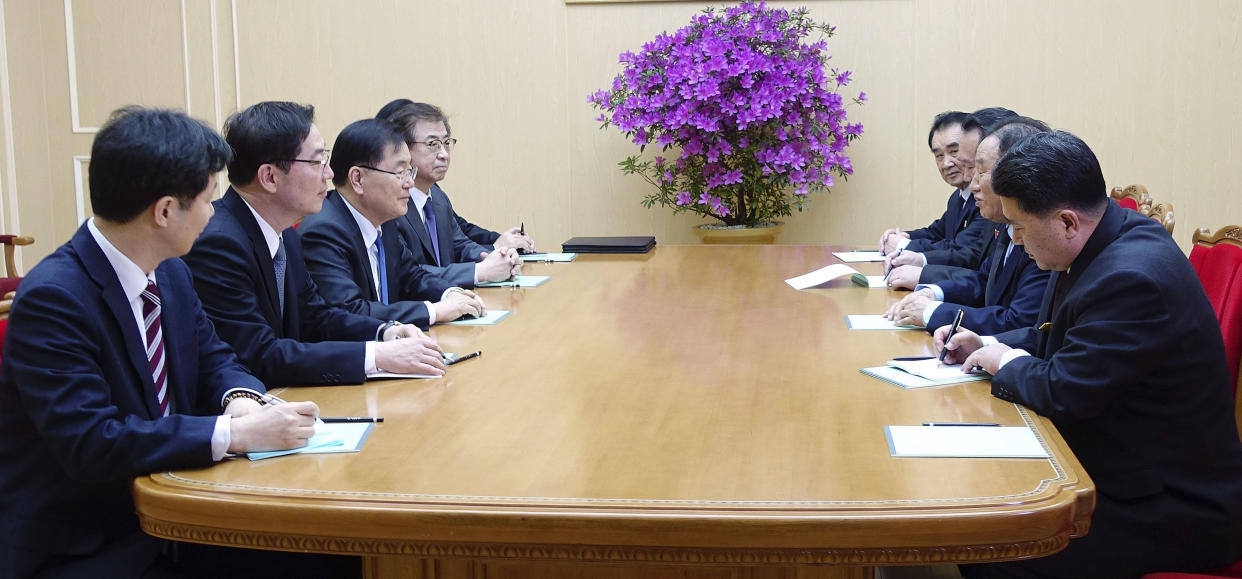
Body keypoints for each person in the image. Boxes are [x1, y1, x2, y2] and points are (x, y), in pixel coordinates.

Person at [0, 107, 351, 577]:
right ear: (165, 210)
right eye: (208, 199)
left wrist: (242, 401)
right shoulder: (55, 298)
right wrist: (234, 434)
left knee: (336, 555)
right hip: (92, 540)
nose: (214, 212)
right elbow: (91, 443)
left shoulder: (170, 271)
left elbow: (215, 357)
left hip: (176, 504)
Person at [937, 131, 1242, 578]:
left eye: (1019, 227)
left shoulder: (1132, 278)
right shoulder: (1102, 241)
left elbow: (1064, 391)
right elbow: (1059, 336)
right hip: (1123, 466)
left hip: (1171, 507)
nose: (1015, 241)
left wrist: (1005, 362)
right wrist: (990, 344)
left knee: (992, 542)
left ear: (1066, 222)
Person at [183, 101, 446, 387]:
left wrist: (386, 330)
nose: (330, 174)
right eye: (317, 161)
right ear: (269, 177)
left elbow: (315, 315)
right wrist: (376, 356)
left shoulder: (285, 234)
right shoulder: (219, 243)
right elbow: (259, 355)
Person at [299, 118, 487, 326]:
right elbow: (349, 311)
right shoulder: (323, 231)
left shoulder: (384, 220)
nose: (410, 183)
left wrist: (451, 294)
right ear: (358, 179)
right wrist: (434, 311)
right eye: (400, 173)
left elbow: (411, 276)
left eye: (410, 171)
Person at [883, 118, 1050, 335]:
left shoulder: (1042, 235)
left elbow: (1019, 323)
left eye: (980, 172)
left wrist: (932, 312)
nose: (972, 184)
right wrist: (934, 293)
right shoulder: (1006, 226)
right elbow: (983, 280)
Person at [377, 100, 525, 288]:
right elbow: (407, 273)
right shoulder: (391, 205)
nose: (444, 154)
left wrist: (500, 258)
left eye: (446, 143)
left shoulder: (438, 199)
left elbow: (461, 246)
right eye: (432, 144)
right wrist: (480, 272)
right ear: (403, 149)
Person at [877, 110, 992, 290]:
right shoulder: (958, 197)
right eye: (939, 155)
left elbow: (966, 251)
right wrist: (902, 236)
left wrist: (903, 245)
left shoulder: (987, 199)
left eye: (954, 152)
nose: (946, 163)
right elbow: (936, 231)